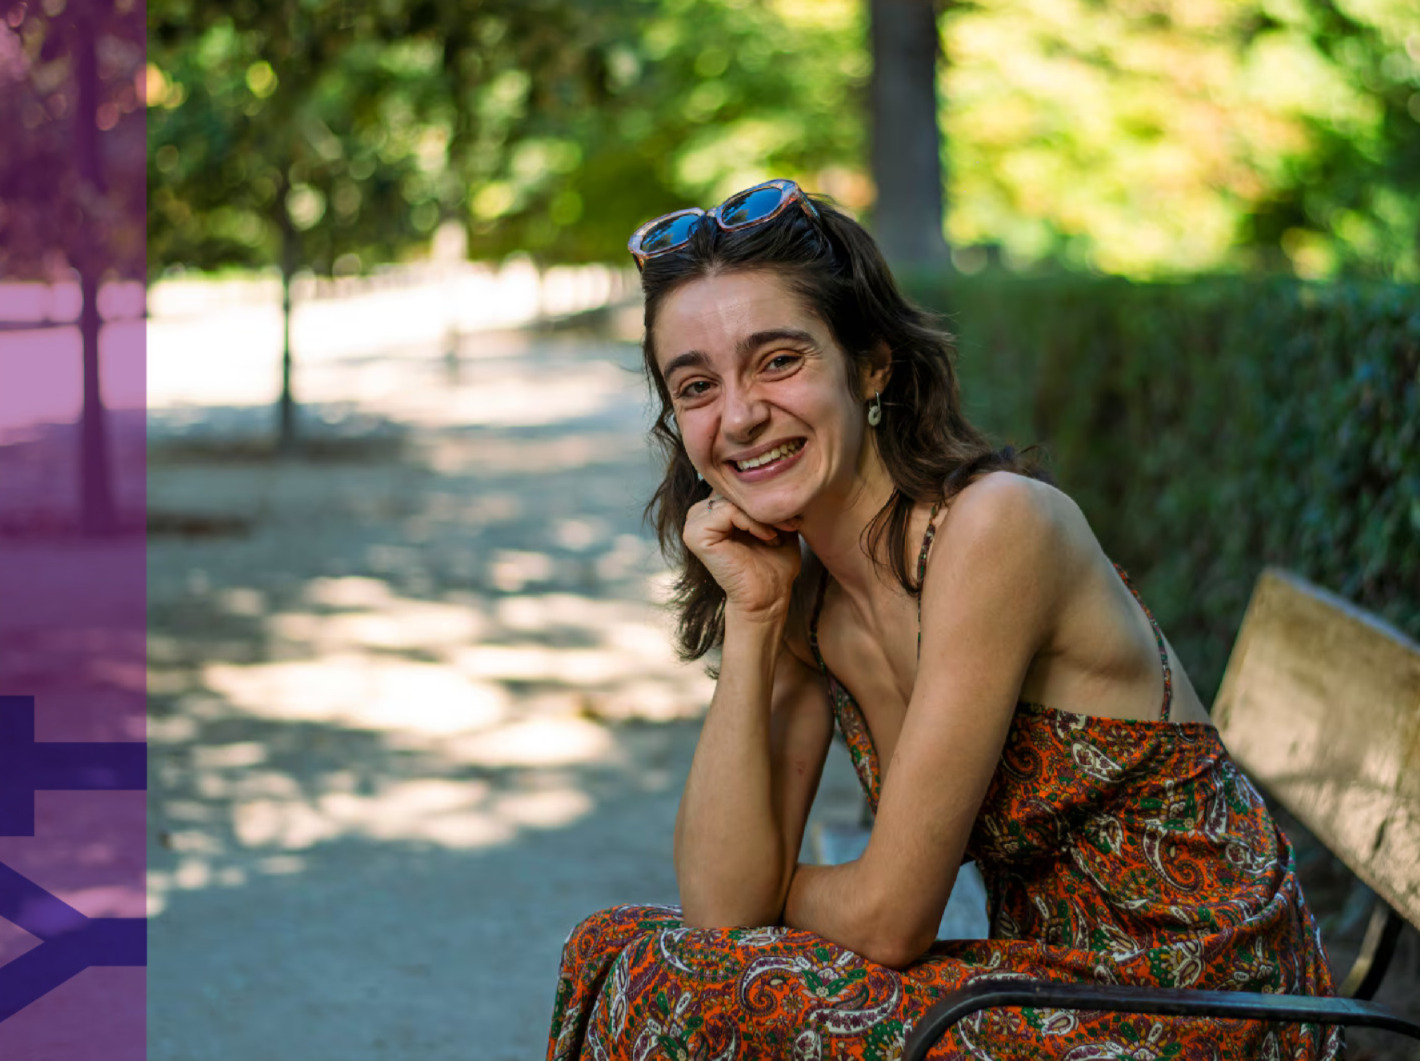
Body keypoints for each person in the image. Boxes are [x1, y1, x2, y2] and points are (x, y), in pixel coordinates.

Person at [546, 179, 1340, 1060]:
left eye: (778, 361)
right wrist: (756, 613)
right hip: (1052, 994)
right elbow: (722, 909)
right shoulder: (809, 602)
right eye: (696, 385)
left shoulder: (997, 527)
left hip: (1209, 1008)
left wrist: (775, 889)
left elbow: (889, 917)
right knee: (613, 945)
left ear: (872, 364)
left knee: (666, 981)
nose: (738, 415)